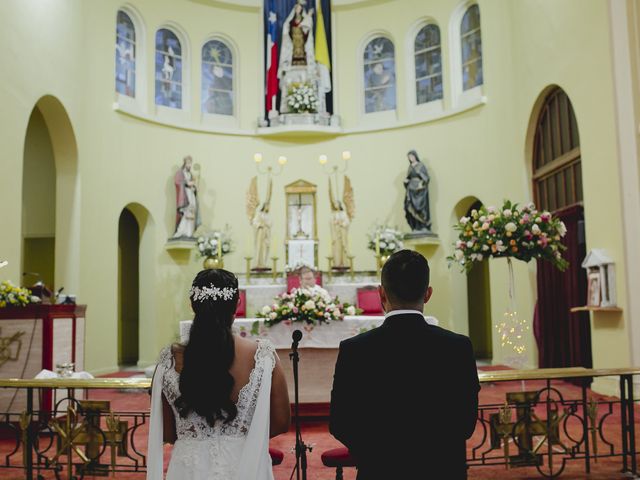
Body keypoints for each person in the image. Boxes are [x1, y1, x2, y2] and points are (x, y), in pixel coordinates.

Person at [329, 250, 479, 479]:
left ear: (381, 294)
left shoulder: (355, 350)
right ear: (428, 294)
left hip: (379, 470)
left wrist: (375, 454)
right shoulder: (458, 347)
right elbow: (465, 422)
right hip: (443, 469)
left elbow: (341, 423)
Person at [147, 269, 290, 480]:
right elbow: (281, 421)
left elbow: (167, 432)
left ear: (192, 304)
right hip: (245, 463)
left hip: (189, 468)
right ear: (237, 304)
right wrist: (239, 436)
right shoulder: (262, 355)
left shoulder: (169, 359)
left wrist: (197, 435)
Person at [403, 150, 432, 232]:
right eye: (409, 157)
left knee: (421, 208)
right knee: (410, 207)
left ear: (415, 156)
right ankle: (415, 226)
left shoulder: (421, 165)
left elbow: (426, 178)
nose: (411, 158)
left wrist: (421, 184)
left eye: (412, 156)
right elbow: (408, 177)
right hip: (411, 189)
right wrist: (406, 181)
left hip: (420, 190)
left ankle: (423, 226)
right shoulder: (410, 167)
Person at [173, 156, 201, 239]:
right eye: (188, 163)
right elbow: (177, 182)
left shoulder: (190, 174)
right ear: (185, 163)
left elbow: (193, 185)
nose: (189, 165)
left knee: (192, 212)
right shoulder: (180, 173)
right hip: (185, 195)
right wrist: (187, 183)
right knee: (186, 212)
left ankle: (190, 233)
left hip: (191, 194)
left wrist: (194, 187)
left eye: (190, 163)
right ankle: (181, 231)